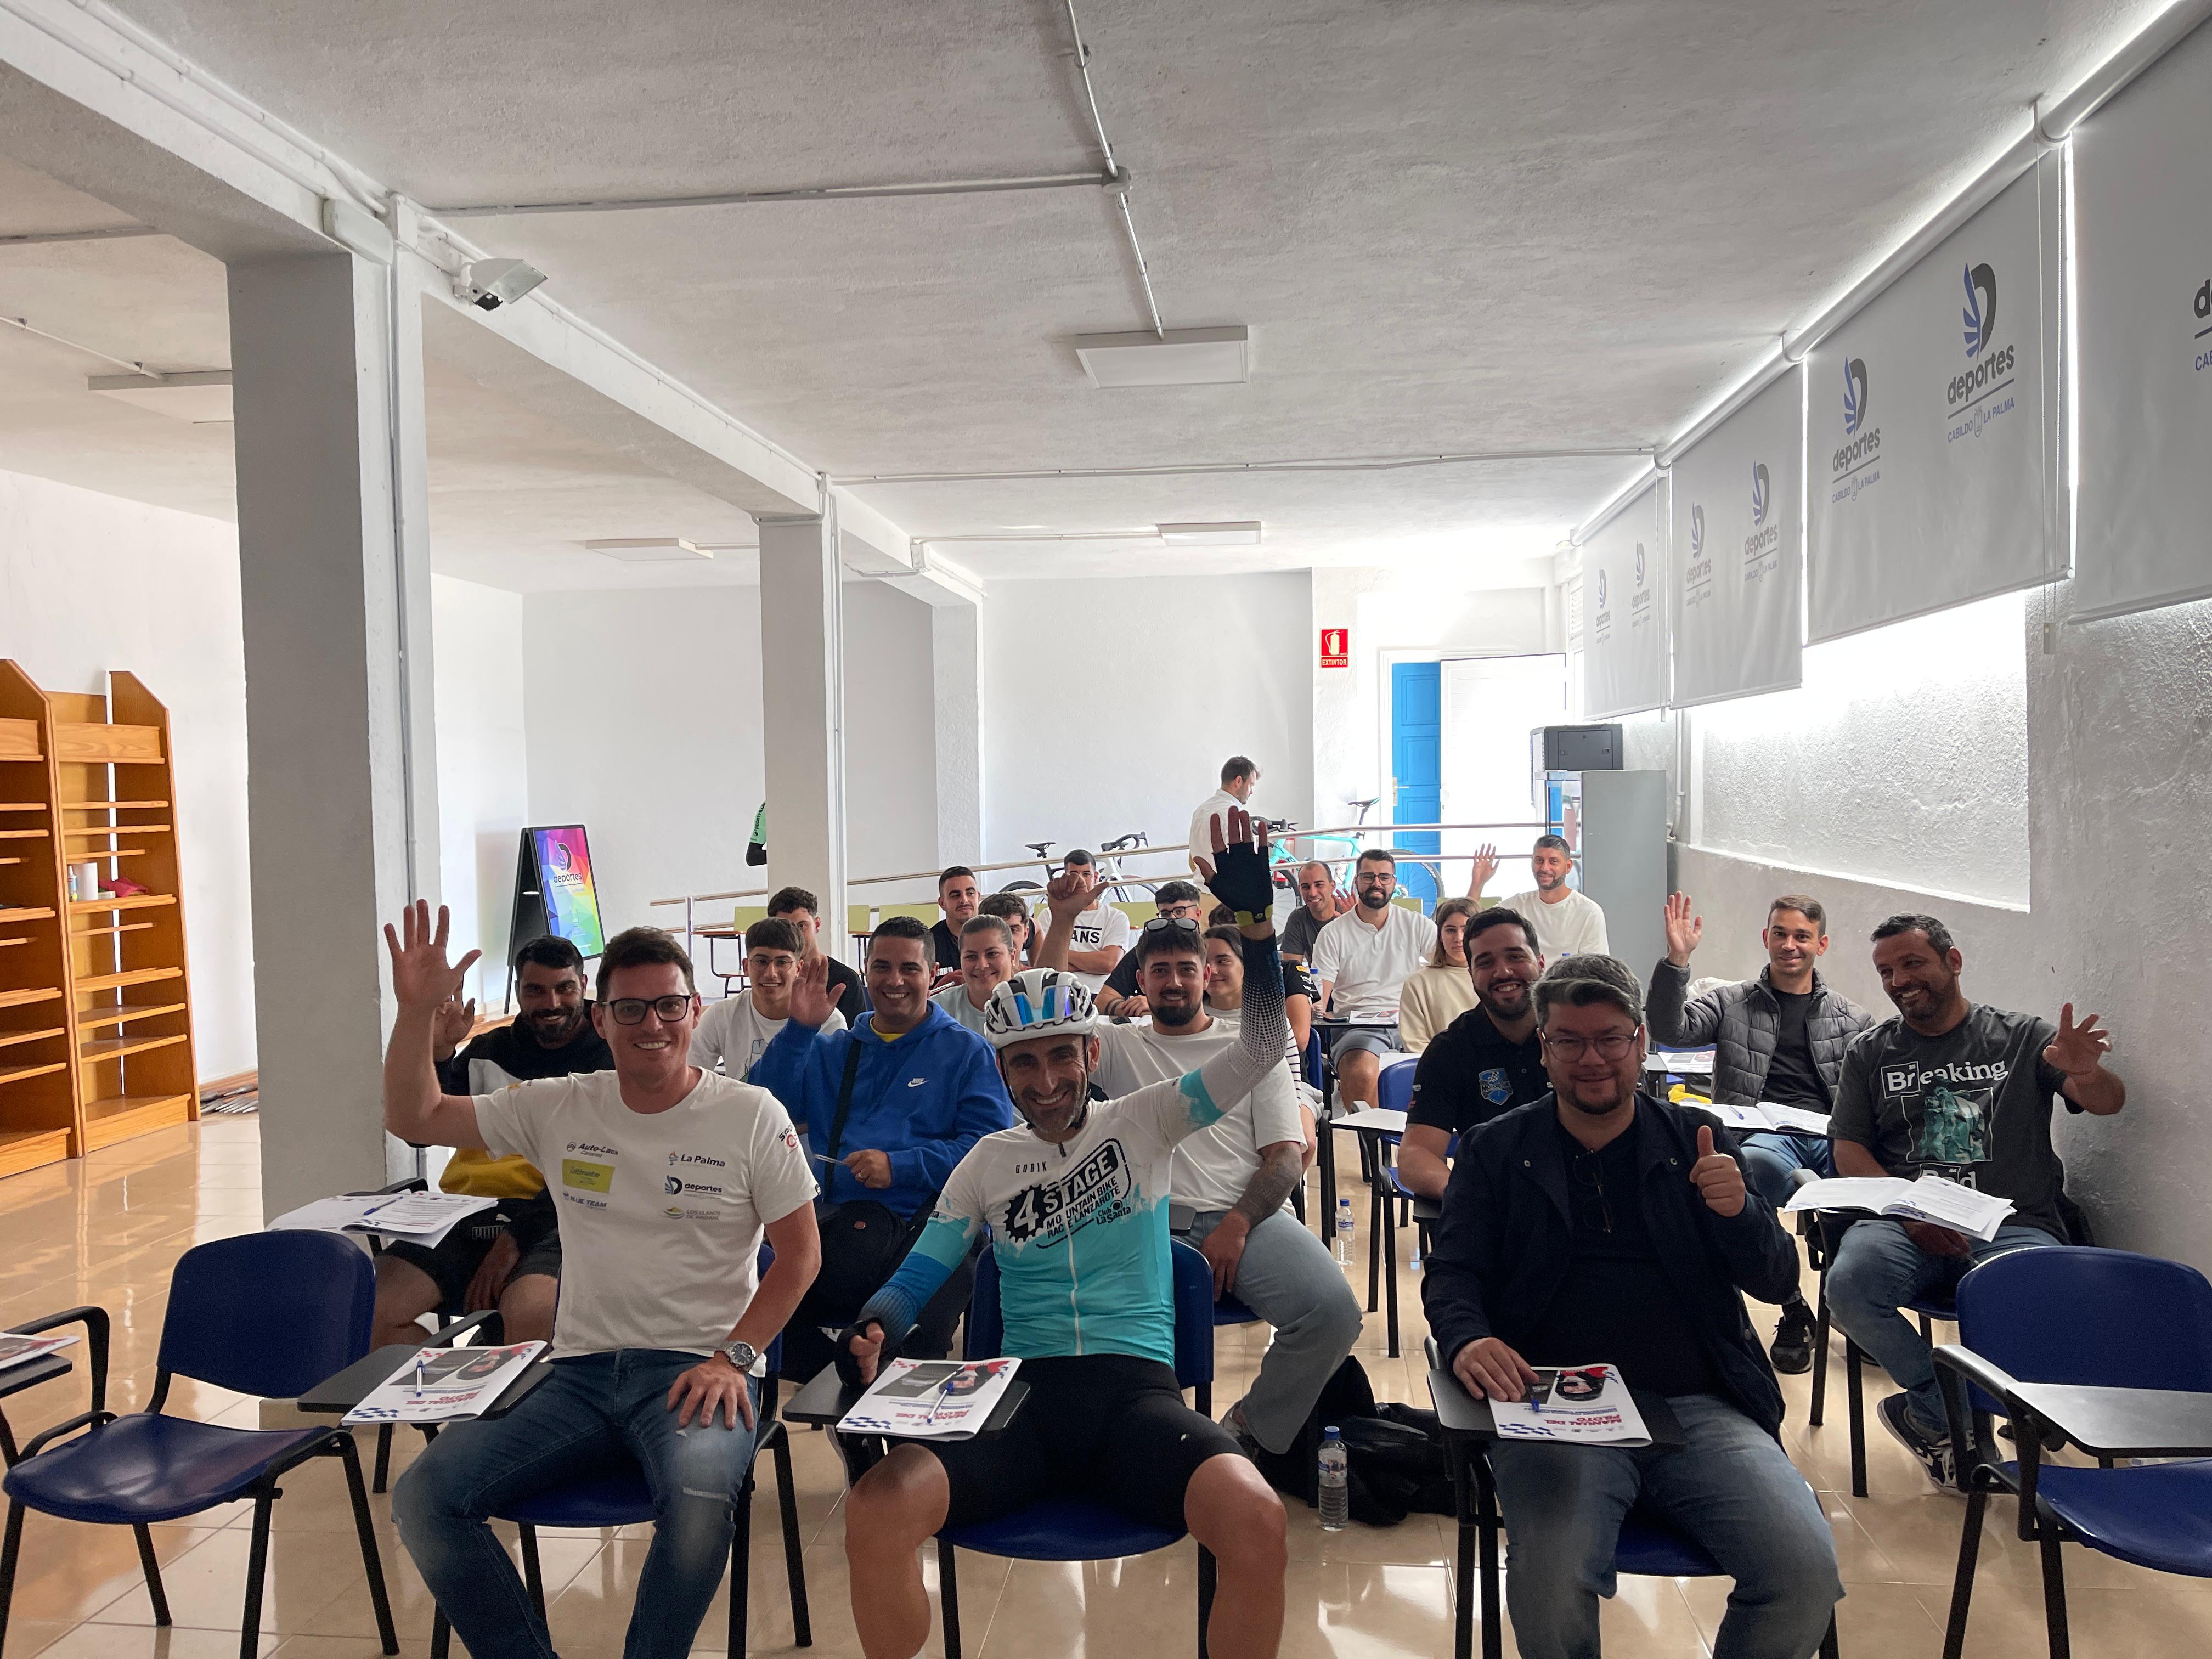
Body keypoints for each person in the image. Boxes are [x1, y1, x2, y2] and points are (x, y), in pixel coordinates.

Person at [837, 810, 1290, 1659]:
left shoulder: (1146, 1121)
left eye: (1060, 1057)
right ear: (1001, 1068)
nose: (1045, 1081)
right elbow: (922, 1271)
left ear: (1091, 1054)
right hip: (1021, 1403)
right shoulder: (987, 1161)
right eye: (1024, 1062)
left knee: (1259, 1519)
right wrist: (875, 1324)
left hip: (1137, 1399)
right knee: (875, 1510)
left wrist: (1258, 931)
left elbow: (1265, 1044)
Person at [382, 908, 822, 1659]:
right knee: (424, 1498)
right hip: (577, 1374)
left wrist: (736, 1359)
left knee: (697, 1510)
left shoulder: (751, 1116)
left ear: (696, 1010)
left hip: (699, 1369)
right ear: (601, 1018)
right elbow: (415, 1115)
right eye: (630, 1009)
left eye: (670, 1006)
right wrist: (416, 1013)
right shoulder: (562, 1104)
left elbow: (801, 1256)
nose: (653, 1025)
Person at [1423, 955, 1841, 1659]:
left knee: (1804, 1572)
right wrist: (1467, 1338)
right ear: (1544, 1049)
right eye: (1569, 1041)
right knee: (1551, 1583)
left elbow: (1776, 1281)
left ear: (1641, 1042)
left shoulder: (1695, 1141)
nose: (1592, 1059)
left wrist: (1739, 1214)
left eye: (1610, 1039)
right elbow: (1453, 1272)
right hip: (1554, 1405)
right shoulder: (1497, 1149)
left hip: (1698, 1402)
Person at [1825, 913, 2124, 1486]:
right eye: (1886, 971)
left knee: (2039, 1291)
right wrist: (1909, 1215)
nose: (1899, 981)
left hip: (2011, 1222)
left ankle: (1977, 1411)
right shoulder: (1871, 1051)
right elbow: (1849, 1150)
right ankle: (1949, 1411)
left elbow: (2108, 1102)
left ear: (1954, 962)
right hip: (1906, 1223)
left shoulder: (2023, 1037)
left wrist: (2088, 1073)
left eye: (1912, 963)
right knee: (1849, 1285)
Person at [1087, 913, 1358, 1460]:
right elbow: (1045, 1014)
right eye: (1159, 970)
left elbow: (1286, 1158)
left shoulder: (1253, 1048)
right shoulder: (1116, 1045)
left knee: (1333, 1312)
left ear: (1207, 974)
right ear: (1139, 980)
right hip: (1144, 1223)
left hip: (1247, 1217)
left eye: (1186, 969)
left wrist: (1237, 1225)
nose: (1173, 982)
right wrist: (1066, 918)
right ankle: (1140, 1437)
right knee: (1097, 1327)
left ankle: (1250, 1429)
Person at [749, 914, 1016, 1380]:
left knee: (913, 1345)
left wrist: (902, 1166)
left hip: (936, 1227)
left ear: (933, 974)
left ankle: (887, 1397)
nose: (895, 981)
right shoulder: (832, 1049)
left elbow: (987, 1151)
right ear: (866, 972)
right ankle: (847, 1388)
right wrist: (798, 1032)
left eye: (910, 968)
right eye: (882, 967)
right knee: (760, 1317)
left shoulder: (967, 1052)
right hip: (841, 1225)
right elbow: (763, 1111)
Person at [1647, 893, 1871, 1375]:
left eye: (1802, 936)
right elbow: (1668, 1028)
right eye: (1781, 934)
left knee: (1864, 1187)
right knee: (1756, 1172)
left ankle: (1854, 1304)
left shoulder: (1853, 1019)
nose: (1790, 945)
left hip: (1831, 1135)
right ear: (1766, 938)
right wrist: (1677, 962)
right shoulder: (1731, 1002)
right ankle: (1792, 1307)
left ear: (1821, 945)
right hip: (1764, 1133)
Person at [373, 934, 612, 1350]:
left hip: (561, 1218)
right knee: (369, 1312)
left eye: (565, 988)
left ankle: (496, 1372)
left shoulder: (610, 1059)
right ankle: (451, 1389)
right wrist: (440, 1053)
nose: (552, 1003)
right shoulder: (490, 1051)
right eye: (535, 990)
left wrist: (514, 1238)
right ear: (517, 991)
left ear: (584, 985)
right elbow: (418, 1131)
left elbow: (597, 1175)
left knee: (530, 1317)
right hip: (470, 1212)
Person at [1397, 907, 1550, 1201]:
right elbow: (1415, 1156)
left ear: (1541, 963)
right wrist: (1471, 1197)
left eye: (1515, 957)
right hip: (1494, 1205)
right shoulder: (1450, 1050)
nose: (1503, 972)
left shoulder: (1574, 1035)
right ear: (1471, 975)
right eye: (1485, 962)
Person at [1308, 848, 1437, 1110]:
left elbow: (1451, 962)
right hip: (1357, 1027)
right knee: (1362, 1073)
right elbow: (1321, 991)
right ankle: (1372, 1136)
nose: (1376, 883)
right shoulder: (1333, 933)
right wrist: (1316, 1004)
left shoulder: (1417, 924)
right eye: (1368, 877)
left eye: (1384, 877)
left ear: (1394, 883)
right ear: (1356, 881)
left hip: (1411, 1023)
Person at [692, 916, 847, 1079]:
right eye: (761, 961)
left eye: (782, 962)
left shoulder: (828, 1022)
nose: (771, 973)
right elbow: (689, 1073)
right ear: (746, 967)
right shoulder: (722, 1015)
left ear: (798, 969)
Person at [1202, 923, 1321, 1118]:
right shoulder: (1192, 1017)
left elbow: (1291, 1083)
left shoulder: (1270, 1018)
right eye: (1204, 962)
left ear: (1246, 965)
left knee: (1302, 1131)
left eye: (1223, 961)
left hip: (1279, 1095)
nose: (1212, 970)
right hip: (1216, 1100)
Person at [1468, 835, 1608, 961]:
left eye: (1553, 862)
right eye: (1539, 861)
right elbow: (1470, 925)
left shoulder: (1589, 912)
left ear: (1568, 866)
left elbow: (1594, 969)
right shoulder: (1517, 906)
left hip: (1568, 982)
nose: (1545, 868)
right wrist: (1477, 883)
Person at [1096, 879, 1206, 1017]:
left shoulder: (1214, 951)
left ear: (1197, 914)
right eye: (1165, 914)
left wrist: (1157, 1004)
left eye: (1180, 912)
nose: (1172, 919)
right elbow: (1102, 1001)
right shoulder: (1144, 951)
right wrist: (1137, 1008)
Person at [767, 885, 864, 1023]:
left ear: (817, 925)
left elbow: (855, 1034)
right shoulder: (771, 978)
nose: (795, 936)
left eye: (801, 926)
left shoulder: (846, 979)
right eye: (786, 929)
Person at [1397, 896, 1481, 1052]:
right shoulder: (1418, 984)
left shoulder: (1493, 978)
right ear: (1440, 935)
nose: (1459, 938)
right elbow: (1416, 1044)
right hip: (1439, 1065)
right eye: (1451, 930)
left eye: (1466, 930)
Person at [1053, 848, 1133, 992]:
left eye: (1086, 874)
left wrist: (1062, 954)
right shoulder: (1051, 915)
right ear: (1065, 878)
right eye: (1074, 875)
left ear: (1096, 877)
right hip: (1060, 990)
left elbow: (1109, 963)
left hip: (1100, 993)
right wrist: (1093, 964)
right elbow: (1048, 966)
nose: (1080, 880)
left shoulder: (1117, 918)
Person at [929, 913, 1020, 1037]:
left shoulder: (1034, 1005)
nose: (982, 965)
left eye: (992, 954)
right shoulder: (937, 1013)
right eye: (971, 957)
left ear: (1012, 957)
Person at [1187, 754, 1261, 881]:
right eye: (1251, 785)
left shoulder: (1200, 810)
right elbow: (1244, 865)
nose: (1252, 792)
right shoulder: (1235, 816)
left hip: (1201, 889)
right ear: (1239, 781)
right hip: (1228, 890)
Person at [1278, 859, 1349, 964]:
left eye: (1319, 885)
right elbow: (1292, 969)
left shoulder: (1351, 913)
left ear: (1332, 886)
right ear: (1300, 889)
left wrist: (1354, 926)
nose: (1312, 893)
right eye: (1306, 887)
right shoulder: (1298, 918)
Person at [929, 866, 983, 972]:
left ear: (978, 897)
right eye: (955, 895)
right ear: (942, 903)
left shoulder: (995, 937)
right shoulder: (929, 945)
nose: (964, 900)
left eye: (970, 893)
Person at [980, 890, 1040, 966]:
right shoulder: (972, 973)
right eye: (998, 932)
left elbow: (1037, 926)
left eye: (1013, 930)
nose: (1008, 939)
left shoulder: (1037, 974)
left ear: (1025, 934)